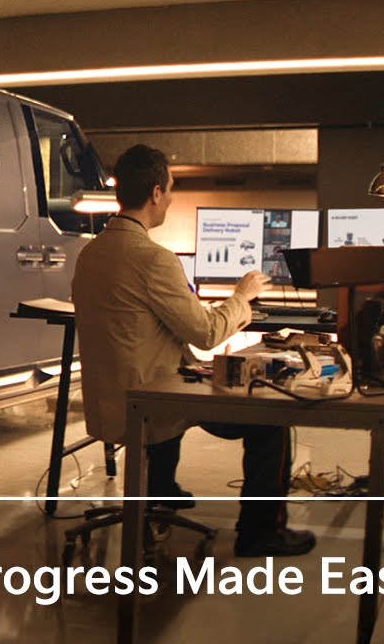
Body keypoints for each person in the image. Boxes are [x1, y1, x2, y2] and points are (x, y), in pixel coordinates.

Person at [72, 144, 316, 558]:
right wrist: (241, 296)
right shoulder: (154, 259)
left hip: (108, 401)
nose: (169, 199)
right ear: (155, 193)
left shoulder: (90, 253)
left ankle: (162, 492)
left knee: (172, 374)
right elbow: (206, 333)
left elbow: (140, 325)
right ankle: (259, 533)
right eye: (169, 190)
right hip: (150, 402)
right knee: (270, 418)